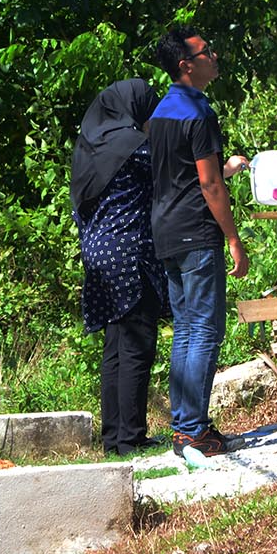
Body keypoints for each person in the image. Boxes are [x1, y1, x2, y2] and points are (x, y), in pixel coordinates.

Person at [148, 27, 250, 458]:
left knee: (186, 329)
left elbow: (183, 173)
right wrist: (233, 238)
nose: (214, 56)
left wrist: (226, 169)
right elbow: (208, 185)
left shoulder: (160, 112)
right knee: (206, 329)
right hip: (196, 233)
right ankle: (194, 430)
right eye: (206, 52)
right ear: (186, 65)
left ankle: (184, 428)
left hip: (166, 232)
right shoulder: (199, 112)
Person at [71, 78, 172, 456]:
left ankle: (114, 438)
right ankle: (131, 438)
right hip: (129, 255)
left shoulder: (90, 148)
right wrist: (221, 169)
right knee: (137, 347)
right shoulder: (133, 145)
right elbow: (175, 173)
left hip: (97, 255)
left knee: (115, 348)